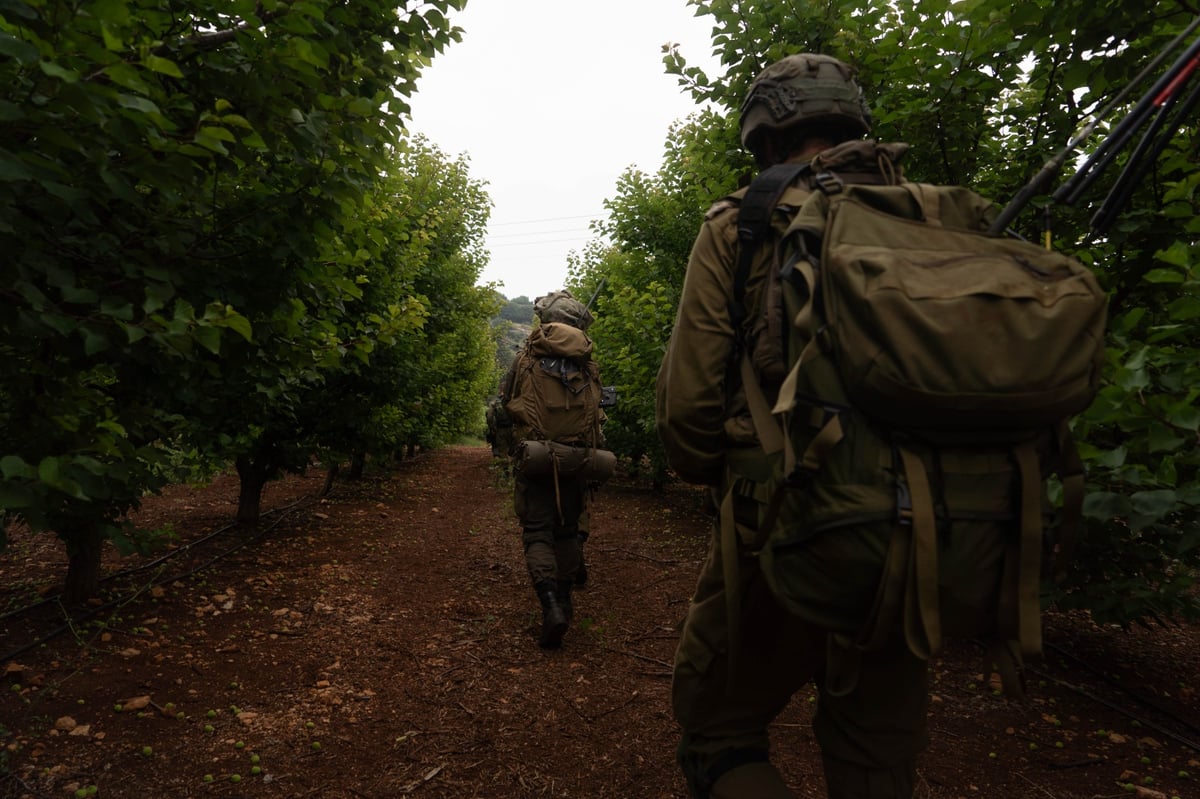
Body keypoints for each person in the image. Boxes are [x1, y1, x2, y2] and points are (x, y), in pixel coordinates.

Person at [655, 54, 928, 798]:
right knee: (876, 750)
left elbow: (688, 411)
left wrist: (725, 474)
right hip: (922, 529)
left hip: (783, 519)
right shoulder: (931, 217)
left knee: (717, 729)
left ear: (767, 135)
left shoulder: (741, 222)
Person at [501, 290, 606, 648]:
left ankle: (550, 606)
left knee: (537, 532)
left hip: (536, 457)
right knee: (566, 531)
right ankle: (563, 597)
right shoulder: (588, 363)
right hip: (577, 459)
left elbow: (506, 401)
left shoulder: (526, 358)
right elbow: (597, 413)